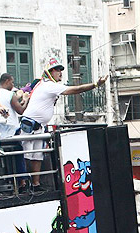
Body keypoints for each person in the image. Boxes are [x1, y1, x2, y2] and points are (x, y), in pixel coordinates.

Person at [18, 57, 106, 190]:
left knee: (37, 155)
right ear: (50, 72)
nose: (60, 73)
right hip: (30, 124)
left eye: (60, 70)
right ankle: (23, 184)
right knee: (27, 155)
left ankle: (35, 184)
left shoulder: (44, 84)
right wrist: (94, 85)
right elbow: (74, 90)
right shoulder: (49, 85)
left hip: (39, 125)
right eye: (57, 70)